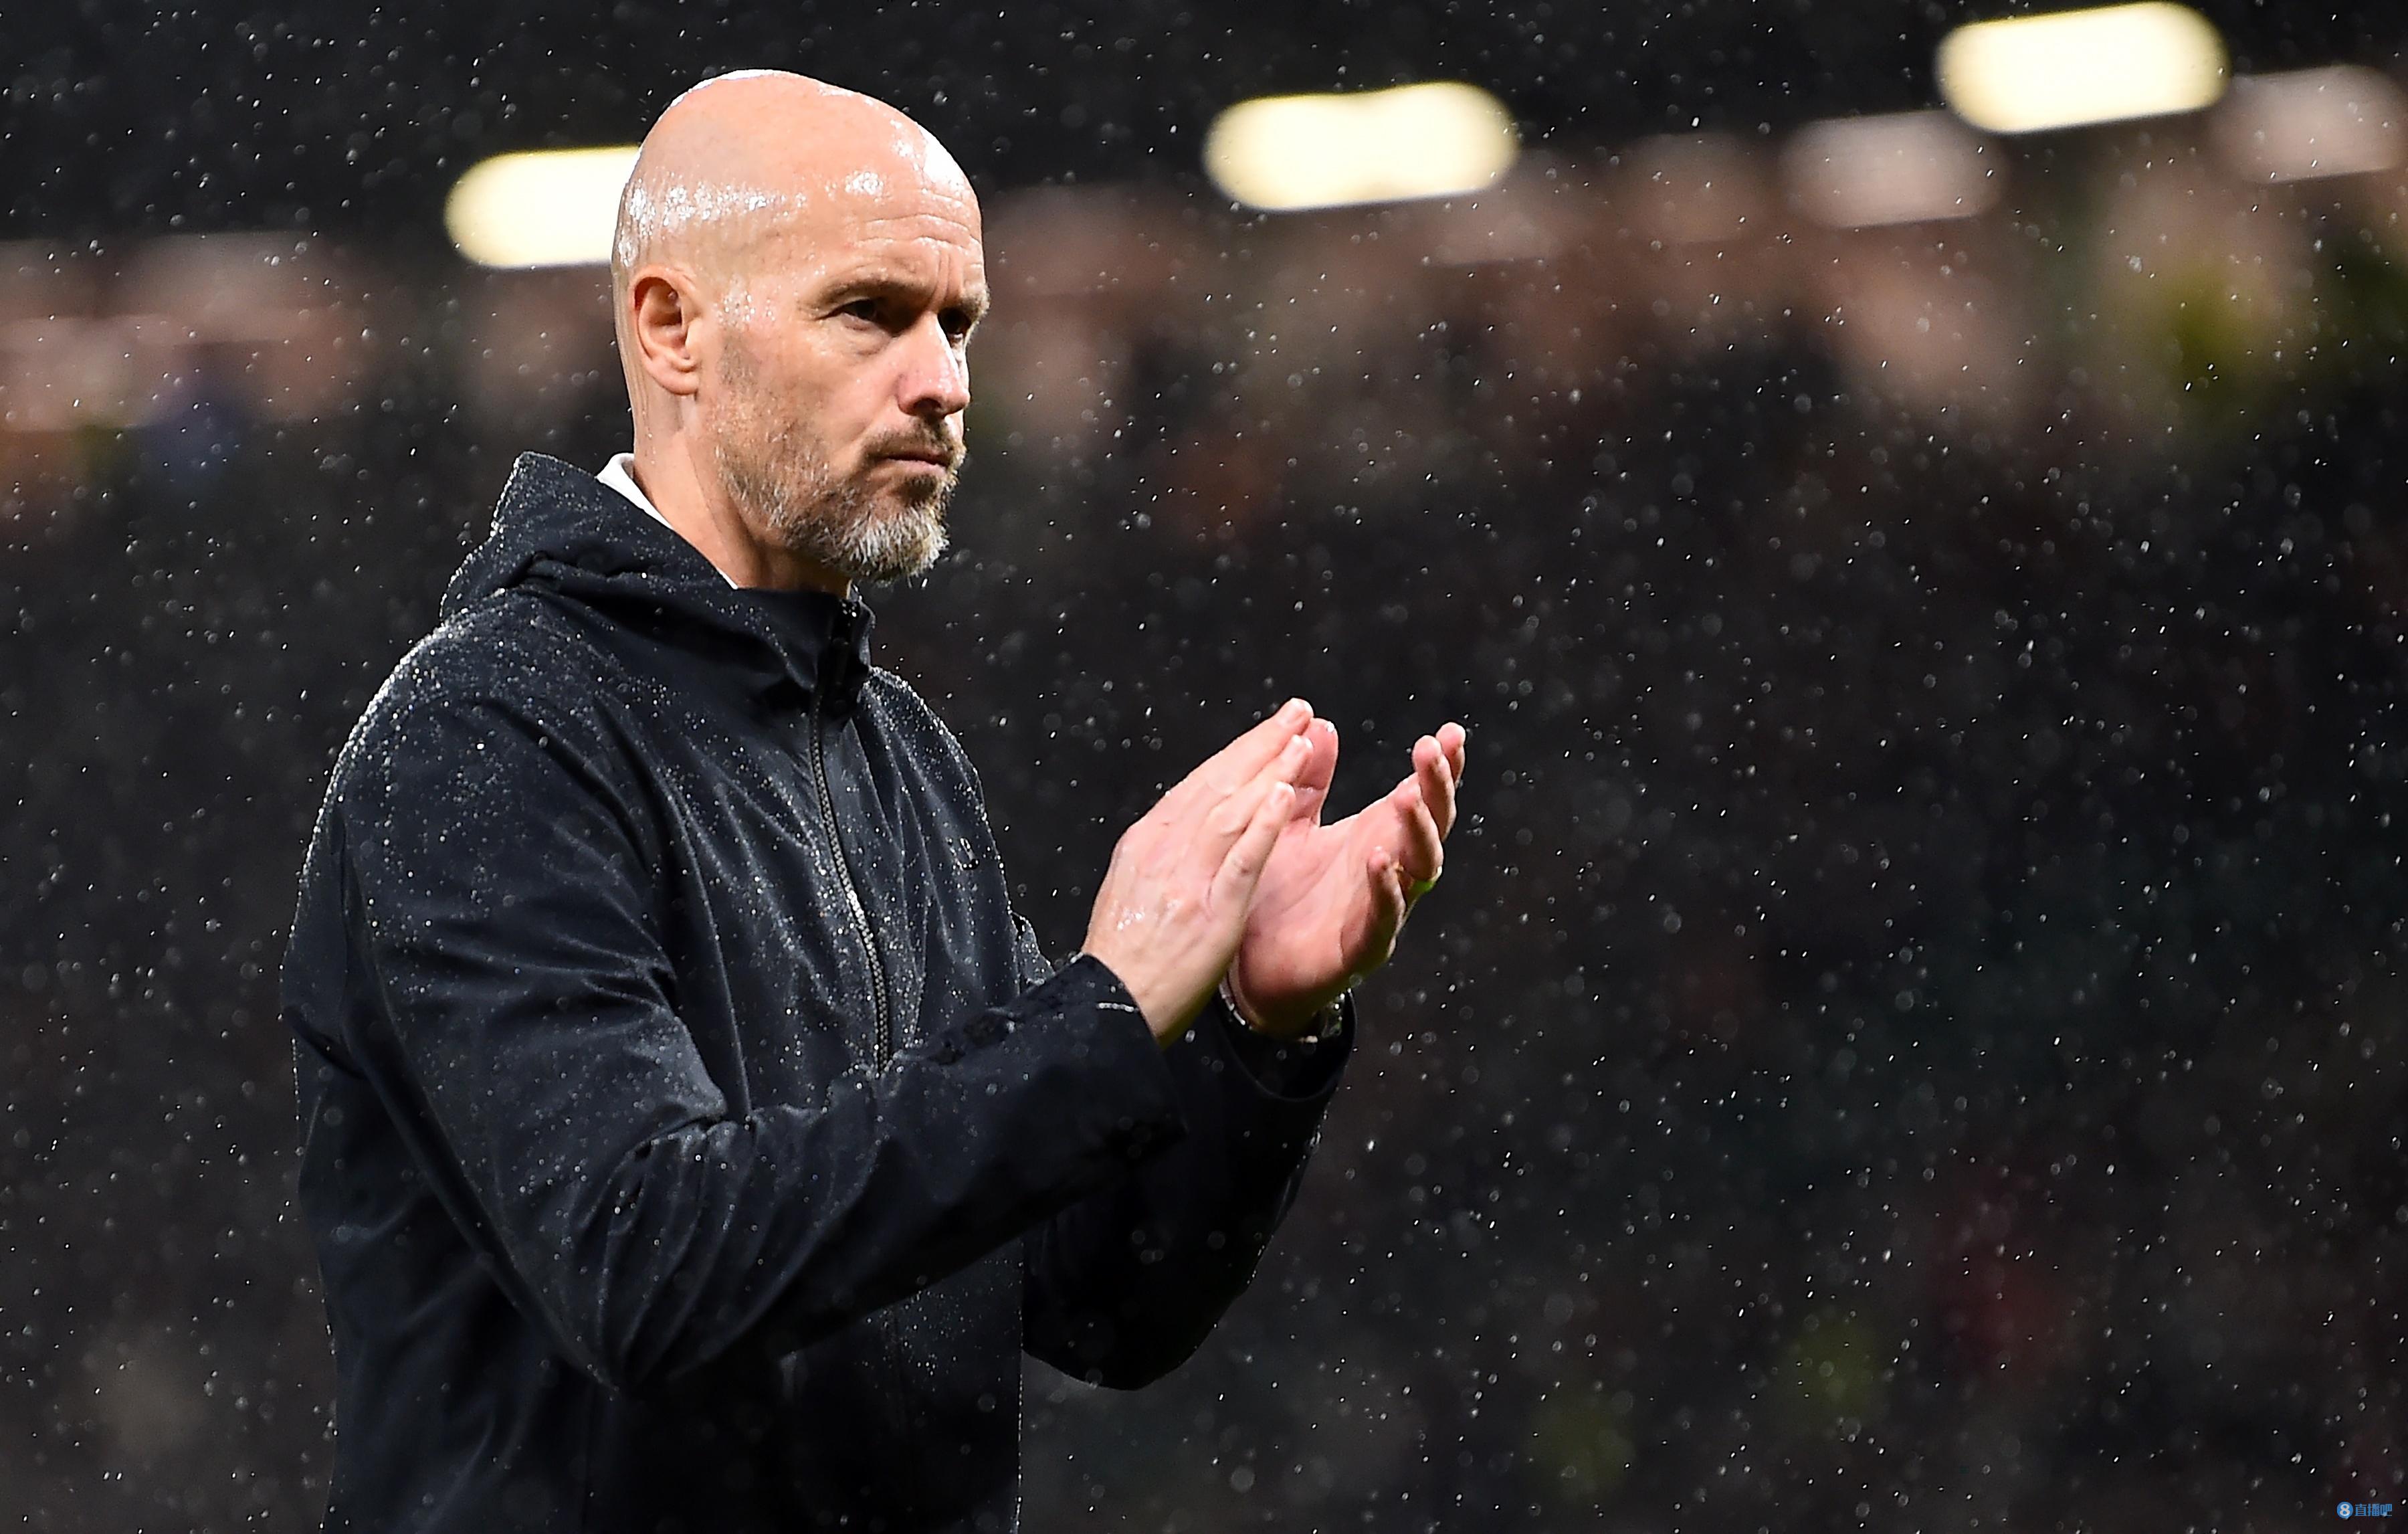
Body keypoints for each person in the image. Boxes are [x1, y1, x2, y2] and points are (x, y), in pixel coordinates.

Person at [281, 70, 1466, 1533]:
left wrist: (1248, 1030)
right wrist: (1097, 1016)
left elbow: (1096, 1301)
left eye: (957, 324)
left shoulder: (899, 755)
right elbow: (644, 1265)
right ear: (671, 328)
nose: (945, 382)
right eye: (871, 313)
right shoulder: (487, 735)